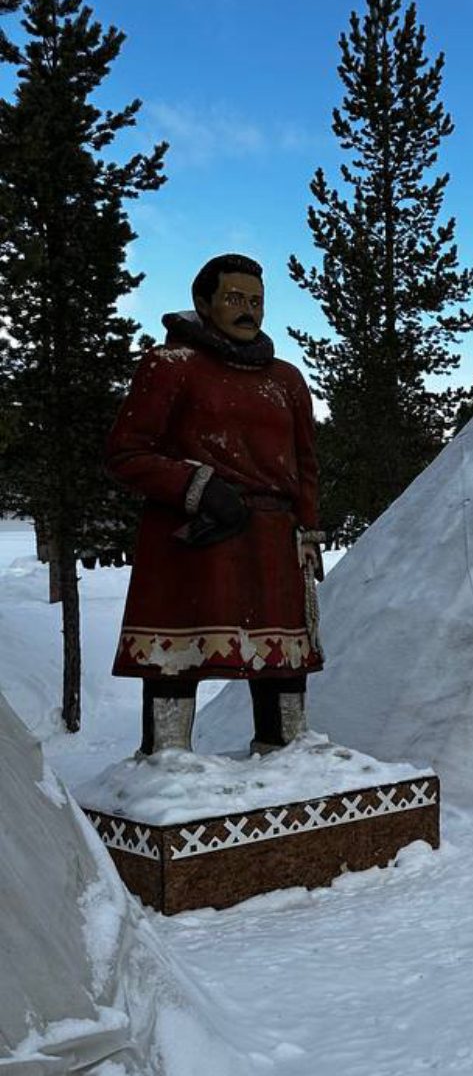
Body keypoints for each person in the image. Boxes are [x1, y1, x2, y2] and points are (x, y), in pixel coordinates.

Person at [106, 254, 323, 755]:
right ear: (203, 303)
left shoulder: (287, 379)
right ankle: (169, 768)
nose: (249, 310)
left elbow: (306, 463)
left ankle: (287, 759)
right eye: (234, 298)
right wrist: (199, 487)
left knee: (282, 663)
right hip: (194, 537)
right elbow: (126, 453)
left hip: (272, 541)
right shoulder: (170, 365)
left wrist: (308, 530)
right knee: (175, 658)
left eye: (257, 301)